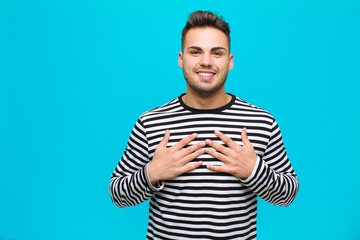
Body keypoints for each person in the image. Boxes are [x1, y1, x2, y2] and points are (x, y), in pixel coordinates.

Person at [109, 10, 299, 240]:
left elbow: (288, 194)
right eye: (195, 52)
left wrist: (253, 171)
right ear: (181, 59)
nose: (206, 61)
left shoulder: (261, 123)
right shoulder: (150, 122)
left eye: (216, 53)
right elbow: (118, 195)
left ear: (230, 61)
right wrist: (153, 172)